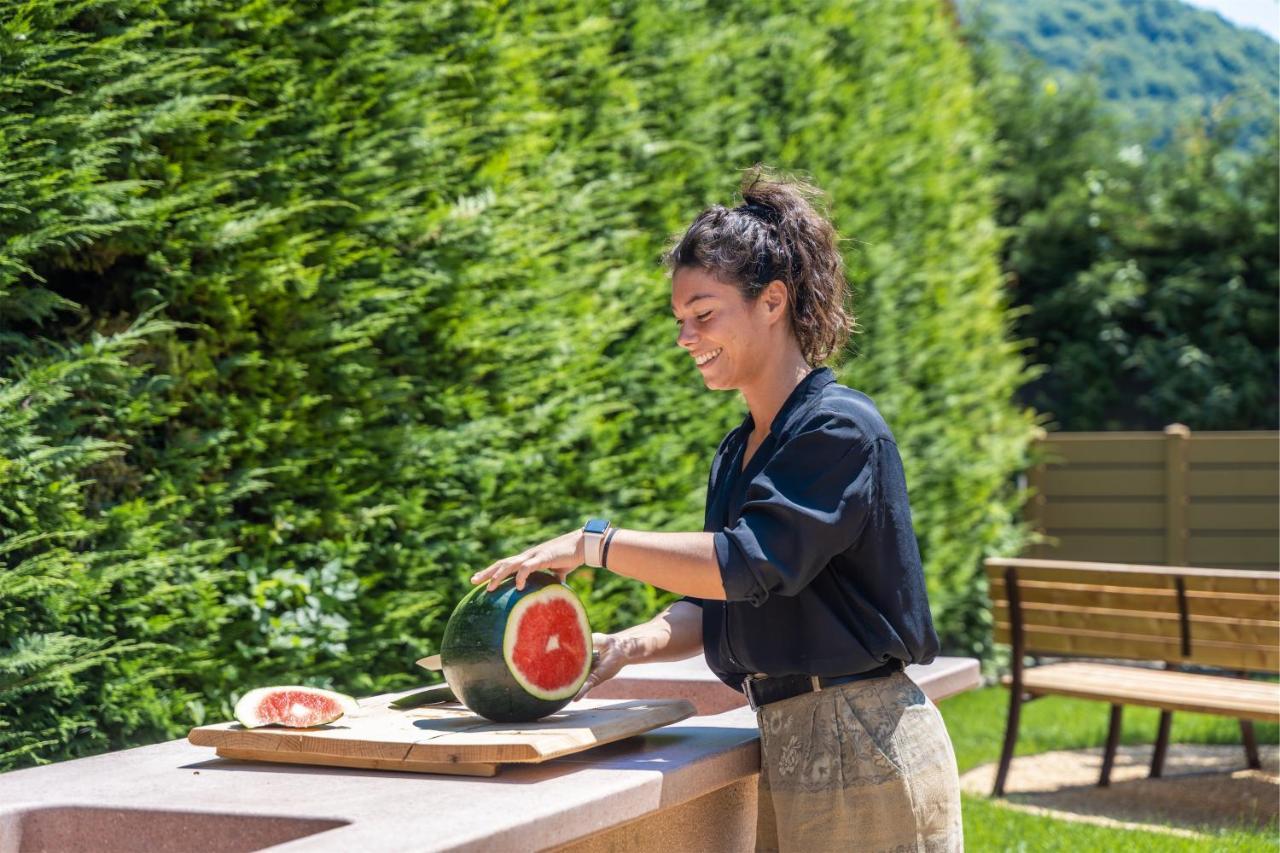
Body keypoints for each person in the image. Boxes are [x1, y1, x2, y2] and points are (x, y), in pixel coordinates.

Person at [470, 165, 963, 852]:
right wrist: (630, 644)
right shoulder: (741, 450)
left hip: (861, 736)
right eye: (679, 319)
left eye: (703, 314)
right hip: (790, 733)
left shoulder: (837, 429)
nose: (685, 337)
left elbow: (743, 565)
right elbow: (724, 598)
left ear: (773, 301)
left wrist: (593, 543)